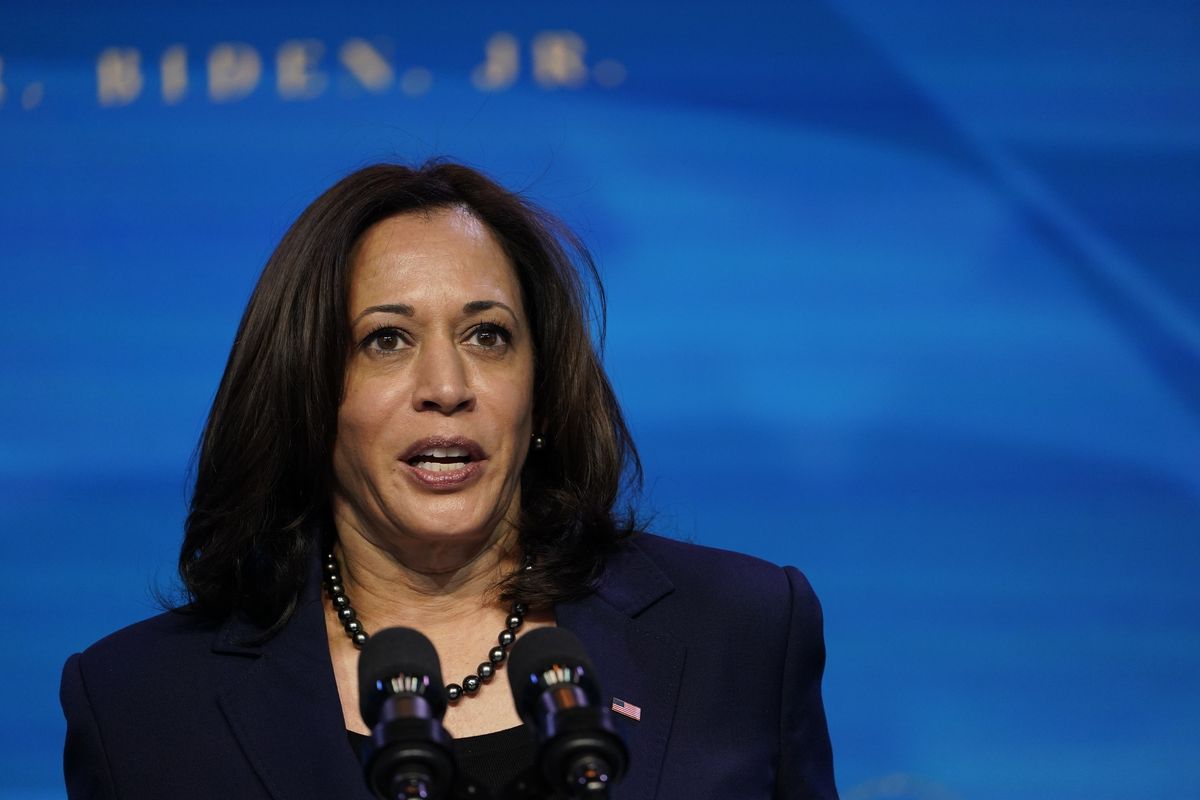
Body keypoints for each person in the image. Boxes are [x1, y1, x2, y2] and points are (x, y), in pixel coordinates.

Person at [60, 162, 838, 799]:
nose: (446, 386)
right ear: (309, 396)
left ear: (540, 393)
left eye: (487, 336)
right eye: (387, 340)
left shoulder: (741, 633)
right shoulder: (143, 708)